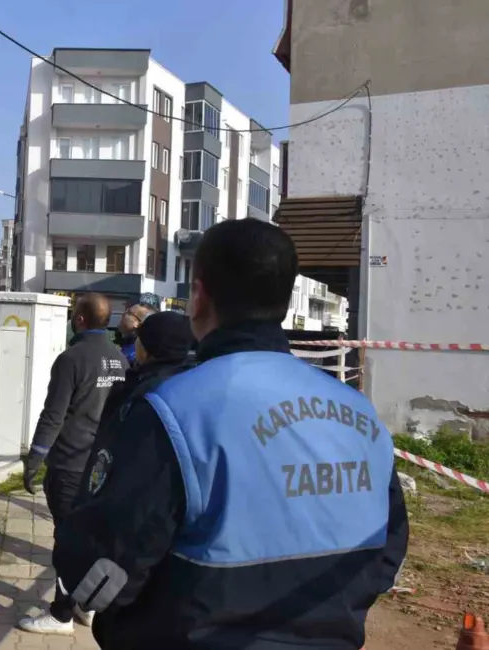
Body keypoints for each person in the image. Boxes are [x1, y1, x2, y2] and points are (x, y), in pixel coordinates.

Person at [51, 218, 409, 649]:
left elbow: (93, 579)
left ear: (198, 297)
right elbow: (389, 551)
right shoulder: (359, 413)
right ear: (284, 298)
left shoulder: (173, 410)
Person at [16, 293, 126, 636]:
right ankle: (85, 605)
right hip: (103, 467)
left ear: (79, 319)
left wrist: (35, 459)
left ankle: (61, 614)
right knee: (90, 538)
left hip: (70, 466)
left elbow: (54, 415)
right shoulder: (119, 359)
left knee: (66, 540)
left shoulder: (72, 359)